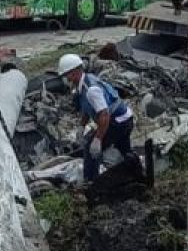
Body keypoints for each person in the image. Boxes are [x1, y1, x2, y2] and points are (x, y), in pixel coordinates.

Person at [57, 53, 135, 182]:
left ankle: (91, 182)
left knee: (90, 149)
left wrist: (98, 139)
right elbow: (87, 108)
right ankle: (135, 173)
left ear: (75, 72)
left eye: (66, 75)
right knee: (124, 149)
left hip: (118, 122)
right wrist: (82, 126)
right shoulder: (85, 82)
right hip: (125, 118)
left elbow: (104, 115)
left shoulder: (91, 90)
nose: (65, 78)